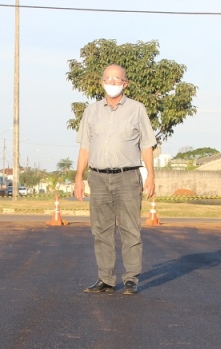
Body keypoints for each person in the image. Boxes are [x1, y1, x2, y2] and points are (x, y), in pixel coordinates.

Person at [74, 64, 156, 295]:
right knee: (101, 231)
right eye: (108, 79)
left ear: (125, 83)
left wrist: (150, 175)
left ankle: (131, 279)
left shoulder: (137, 110)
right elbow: (85, 147)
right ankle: (105, 280)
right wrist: (79, 178)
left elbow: (147, 144)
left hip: (127, 177)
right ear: (102, 83)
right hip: (98, 178)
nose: (112, 82)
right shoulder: (91, 111)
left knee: (131, 230)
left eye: (116, 79)